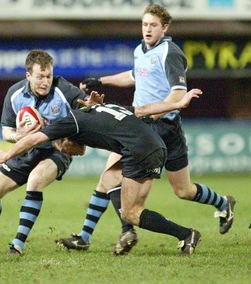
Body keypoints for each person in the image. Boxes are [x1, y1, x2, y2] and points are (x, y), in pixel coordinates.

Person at [57, 3, 235, 255]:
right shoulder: (141, 50)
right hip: (139, 126)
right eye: (144, 24)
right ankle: (90, 236)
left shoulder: (170, 53)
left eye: (153, 25)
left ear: (165, 27)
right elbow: (134, 75)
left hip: (164, 129)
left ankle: (221, 205)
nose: (147, 29)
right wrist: (102, 80)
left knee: (182, 190)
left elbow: (178, 95)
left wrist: (144, 111)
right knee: (108, 179)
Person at [0, 89, 203, 256]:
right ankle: (89, 236)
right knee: (108, 178)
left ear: (66, 137)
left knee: (131, 213)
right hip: (153, 145)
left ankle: (185, 234)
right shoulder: (102, 108)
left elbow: (34, 138)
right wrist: (178, 103)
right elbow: (143, 110)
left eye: (64, 148)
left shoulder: (70, 123)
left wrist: (6, 155)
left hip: (140, 152)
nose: (74, 153)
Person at [0, 50, 88, 256]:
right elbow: (6, 132)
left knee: (35, 180)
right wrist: (20, 135)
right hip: (25, 152)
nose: (45, 82)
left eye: (48, 76)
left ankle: (17, 244)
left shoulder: (63, 89)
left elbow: (86, 108)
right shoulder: (15, 94)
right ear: (28, 75)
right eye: (40, 77)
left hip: (55, 152)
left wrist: (89, 108)